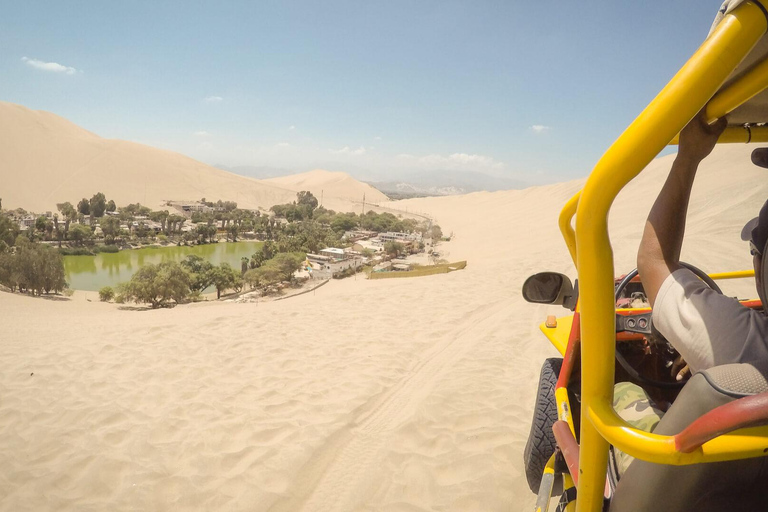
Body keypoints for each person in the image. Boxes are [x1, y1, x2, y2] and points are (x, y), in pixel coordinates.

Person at [637, 109, 768, 374]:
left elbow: (654, 261)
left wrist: (688, 157)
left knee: (625, 391)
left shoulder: (741, 347)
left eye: (755, 250)